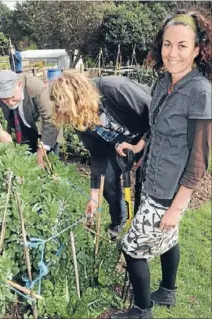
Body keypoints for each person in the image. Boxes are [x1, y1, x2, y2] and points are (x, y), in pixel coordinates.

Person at [112, 9, 212, 319]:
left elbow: (199, 159)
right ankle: (167, 292)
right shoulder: (163, 81)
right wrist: (138, 145)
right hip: (152, 176)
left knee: (132, 248)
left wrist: (177, 207)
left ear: (197, 49)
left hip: (169, 190)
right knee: (170, 239)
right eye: (167, 44)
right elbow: (156, 126)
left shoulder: (200, 93)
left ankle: (141, 311)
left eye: (182, 45)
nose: (173, 53)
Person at [47, 71, 151, 239]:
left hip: (149, 132)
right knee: (108, 180)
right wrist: (94, 196)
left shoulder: (115, 89)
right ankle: (119, 222)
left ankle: (141, 226)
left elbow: (158, 116)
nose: (61, 112)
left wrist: (140, 147)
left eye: (62, 106)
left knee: (144, 182)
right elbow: (97, 154)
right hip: (119, 141)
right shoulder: (79, 116)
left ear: (77, 98)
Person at [0, 70, 63, 167]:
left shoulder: (35, 87)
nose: (10, 102)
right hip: (21, 129)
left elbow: (51, 120)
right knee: (24, 166)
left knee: (47, 165)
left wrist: (42, 152)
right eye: (4, 99)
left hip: (44, 129)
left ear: (19, 85)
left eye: (12, 97)